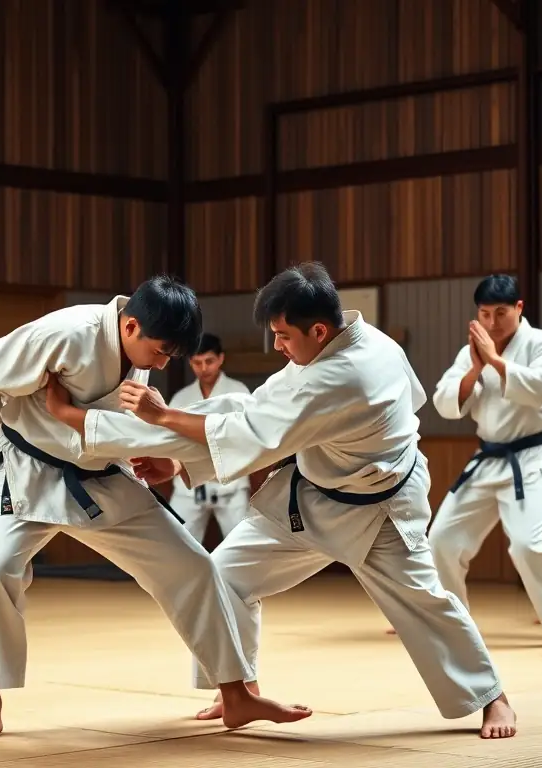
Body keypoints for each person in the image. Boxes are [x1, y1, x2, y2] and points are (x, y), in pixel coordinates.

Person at [47, 262, 517, 739]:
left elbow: (253, 432)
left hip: (380, 509)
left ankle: (492, 697)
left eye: (283, 335)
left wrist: (166, 419)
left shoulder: (344, 375)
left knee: (425, 603)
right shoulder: (346, 342)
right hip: (312, 497)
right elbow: (254, 409)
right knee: (221, 576)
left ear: (317, 329)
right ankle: (242, 691)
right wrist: (179, 461)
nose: (277, 346)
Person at [0, 276, 311, 744]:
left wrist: (155, 451)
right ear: (131, 325)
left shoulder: (135, 341)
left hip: (101, 474)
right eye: (160, 352)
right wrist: (22, 417)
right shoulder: (61, 334)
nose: (162, 363)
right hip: (24, 472)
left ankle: (236, 693)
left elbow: (125, 423)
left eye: (169, 356)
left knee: (193, 567)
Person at [427, 275, 542, 650]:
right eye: (485, 314)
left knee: (526, 544)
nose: (493, 323)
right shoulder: (471, 352)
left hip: (531, 456)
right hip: (488, 457)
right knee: (441, 538)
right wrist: (476, 368)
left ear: (519, 308)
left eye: (501, 313)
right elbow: (445, 401)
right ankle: (456, 620)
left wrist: (496, 361)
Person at [167, 333, 253, 544]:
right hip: (190, 484)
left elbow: (247, 435)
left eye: (209, 361)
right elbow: (170, 439)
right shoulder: (181, 398)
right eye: (197, 362)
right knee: (177, 543)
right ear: (190, 362)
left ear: (221, 359)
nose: (203, 368)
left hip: (230, 482)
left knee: (241, 546)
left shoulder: (238, 393)